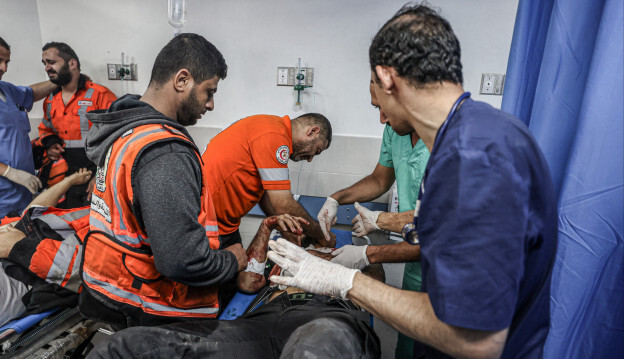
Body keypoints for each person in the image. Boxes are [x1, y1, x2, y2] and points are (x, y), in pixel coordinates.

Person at [267, 4, 558, 359]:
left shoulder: (478, 156)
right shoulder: (472, 136)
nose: (381, 118)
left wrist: (343, 280)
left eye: (378, 102)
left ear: (386, 77)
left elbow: (475, 340)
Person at [80, 33, 247, 328]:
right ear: (182, 80)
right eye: (209, 91)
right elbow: (182, 262)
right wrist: (233, 260)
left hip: (109, 290)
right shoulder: (165, 151)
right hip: (151, 308)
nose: (210, 105)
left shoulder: (125, 131)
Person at [86, 215, 383, 359]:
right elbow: (249, 281)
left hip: (325, 314)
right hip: (264, 320)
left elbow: (374, 292)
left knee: (313, 349)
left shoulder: (345, 259)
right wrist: (266, 229)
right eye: (292, 234)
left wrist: (360, 258)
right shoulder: (278, 260)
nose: (296, 237)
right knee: (126, 345)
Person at [317, 123, 429, 357]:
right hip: (416, 263)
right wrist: (336, 198)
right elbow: (379, 180)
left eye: (384, 108)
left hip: (444, 271)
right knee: (409, 347)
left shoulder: (448, 140)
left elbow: (438, 220)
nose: (382, 118)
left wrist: (371, 246)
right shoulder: (394, 131)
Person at [203, 113, 335, 248]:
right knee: (233, 265)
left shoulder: (271, 128)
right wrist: (321, 234)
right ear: (313, 131)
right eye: (316, 150)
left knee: (241, 263)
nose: (310, 159)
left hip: (223, 224)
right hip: (207, 222)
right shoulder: (274, 136)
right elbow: (283, 204)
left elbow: (267, 196)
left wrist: (284, 228)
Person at [0, 169, 92, 332]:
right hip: (6, 247)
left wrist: (20, 247)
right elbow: (33, 211)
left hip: (16, 268)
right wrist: (68, 181)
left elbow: (94, 272)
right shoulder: (97, 214)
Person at [0, 31, 57, 231]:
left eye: (7, 61)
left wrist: (59, 80)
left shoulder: (5, 89)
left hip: (22, 196)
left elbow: (31, 93)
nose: (4, 68)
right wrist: (8, 172)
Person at [34, 42, 117, 208]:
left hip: (94, 171)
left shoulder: (100, 95)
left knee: (92, 223)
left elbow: (117, 139)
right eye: (45, 64)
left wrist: (101, 177)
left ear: (72, 63)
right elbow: (45, 129)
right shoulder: (50, 100)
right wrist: (50, 145)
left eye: (52, 62)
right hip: (64, 175)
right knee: (64, 219)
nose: (47, 68)